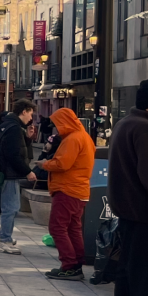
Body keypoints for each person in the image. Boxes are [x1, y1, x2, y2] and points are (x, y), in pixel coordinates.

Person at [104, 79, 148, 296]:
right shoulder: (147, 129)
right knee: (146, 278)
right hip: (145, 215)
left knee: (128, 274)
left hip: (128, 213)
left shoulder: (126, 124)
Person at [39, 108, 95, 281]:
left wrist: (45, 164)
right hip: (79, 190)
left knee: (57, 227)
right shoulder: (84, 137)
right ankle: (76, 263)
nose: (55, 128)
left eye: (57, 124)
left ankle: (69, 265)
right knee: (73, 228)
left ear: (64, 122)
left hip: (67, 189)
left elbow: (62, 164)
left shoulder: (72, 139)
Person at [0, 98, 38, 254]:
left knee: (11, 206)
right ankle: (4, 239)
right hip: (10, 173)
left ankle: (4, 236)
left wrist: (27, 138)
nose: (31, 118)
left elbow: (15, 148)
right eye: (30, 114)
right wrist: (27, 171)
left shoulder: (7, 125)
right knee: (11, 208)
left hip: (6, 171)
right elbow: (13, 154)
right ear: (24, 111)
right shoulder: (14, 128)